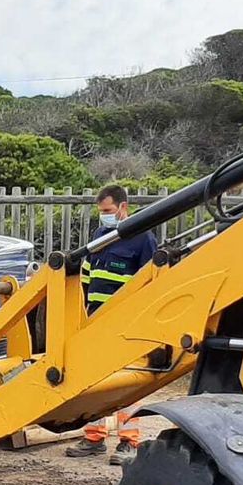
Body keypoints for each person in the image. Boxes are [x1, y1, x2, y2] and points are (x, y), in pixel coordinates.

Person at [64, 184, 158, 466]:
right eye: (100, 211)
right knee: (94, 381)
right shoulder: (100, 235)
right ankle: (94, 437)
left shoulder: (143, 239)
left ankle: (129, 441)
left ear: (123, 207)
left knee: (126, 382)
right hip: (96, 319)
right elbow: (88, 275)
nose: (103, 215)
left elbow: (152, 281)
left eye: (107, 210)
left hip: (126, 322)